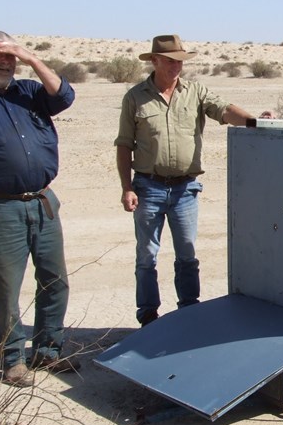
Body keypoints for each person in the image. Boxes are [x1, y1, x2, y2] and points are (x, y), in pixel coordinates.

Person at [115, 34, 273, 326]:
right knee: (147, 255)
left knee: (187, 253)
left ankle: (189, 312)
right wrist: (126, 187)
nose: (177, 66)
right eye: (170, 61)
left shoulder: (196, 92)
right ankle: (148, 317)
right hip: (147, 187)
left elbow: (224, 110)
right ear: (154, 61)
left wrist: (254, 122)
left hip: (185, 189)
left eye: (180, 61)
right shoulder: (135, 97)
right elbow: (124, 145)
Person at [0, 31, 77, 387]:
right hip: (1, 208)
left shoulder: (31, 92)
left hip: (44, 201)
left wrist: (32, 57)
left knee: (55, 281)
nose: (6, 63)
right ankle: (12, 358)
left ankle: (48, 351)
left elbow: (65, 95)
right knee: (5, 288)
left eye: (11, 58)